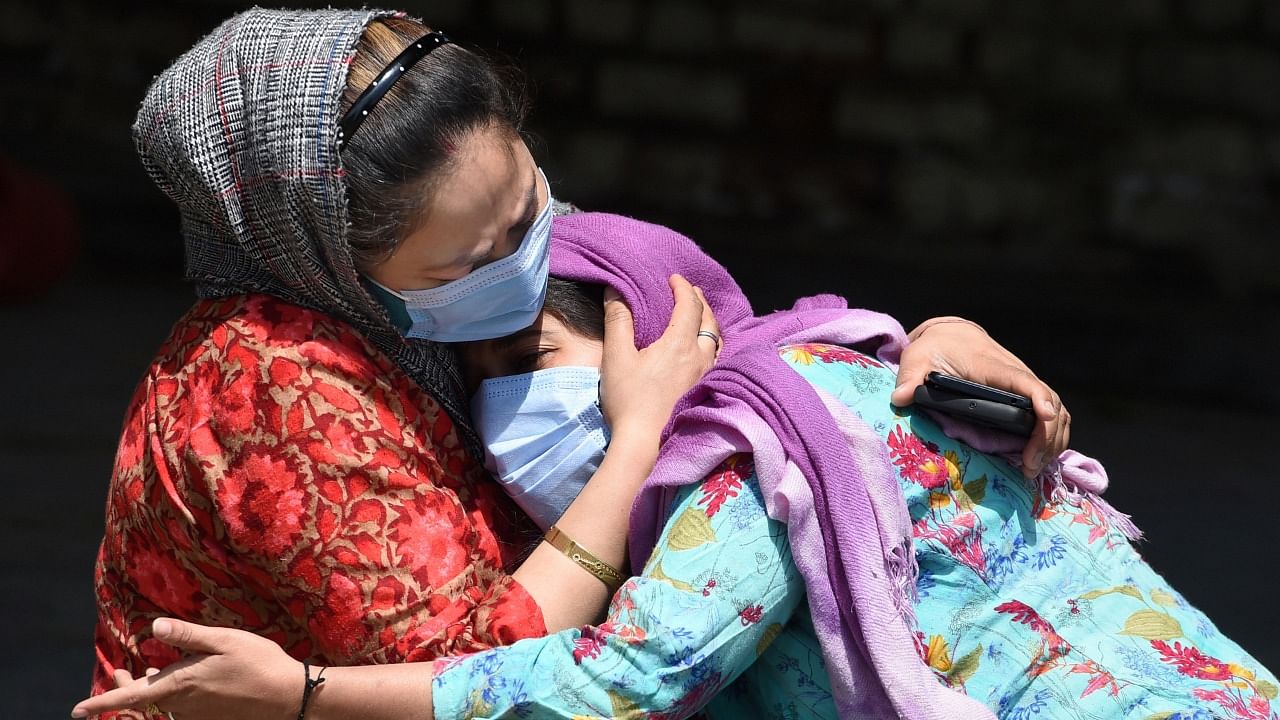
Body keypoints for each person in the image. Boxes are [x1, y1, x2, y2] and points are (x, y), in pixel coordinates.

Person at [89, 7, 1075, 717]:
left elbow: (735, 350)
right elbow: (492, 671)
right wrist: (635, 437)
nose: (530, 256)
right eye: (473, 261)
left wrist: (913, 339)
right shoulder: (272, 382)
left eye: (528, 203)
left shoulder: (422, 312)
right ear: (322, 253)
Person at [75, 214, 1279, 720]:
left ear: (659, 330)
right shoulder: (842, 368)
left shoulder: (752, 476)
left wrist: (301, 696)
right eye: (491, 373)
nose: (515, 404)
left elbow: (612, 683)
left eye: (548, 353)